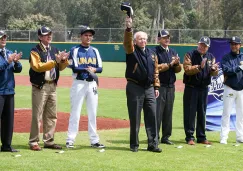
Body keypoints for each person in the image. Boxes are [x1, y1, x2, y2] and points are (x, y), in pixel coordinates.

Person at [123, 16, 161, 153]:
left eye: (145, 38)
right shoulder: (131, 51)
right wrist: (128, 28)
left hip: (149, 88)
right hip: (135, 87)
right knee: (135, 117)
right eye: (140, 39)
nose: (143, 41)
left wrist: (156, 86)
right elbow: (127, 41)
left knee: (152, 116)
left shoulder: (152, 54)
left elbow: (156, 71)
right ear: (135, 40)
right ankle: (134, 145)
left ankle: (153, 144)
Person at [29, 26, 69, 151]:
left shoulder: (54, 49)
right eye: (46, 34)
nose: (49, 36)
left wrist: (63, 60)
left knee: (52, 115)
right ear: (40, 37)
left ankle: (49, 140)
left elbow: (60, 68)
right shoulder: (35, 50)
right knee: (37, 115)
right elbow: (37, 66)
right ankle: (34, 141)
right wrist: (54, 61)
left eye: (50, 34)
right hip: (40, 86)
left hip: (53, 85)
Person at [66, 26, 105, 149]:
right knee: (75, 112)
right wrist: (88, 68)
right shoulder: (75, 50)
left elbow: (100, 68)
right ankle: (70, 139)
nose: (88, 37)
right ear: (81, 36)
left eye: (90, 35)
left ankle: (94, 140)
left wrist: (94, 69)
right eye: (86, 35)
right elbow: (74, 67)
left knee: (92, 112)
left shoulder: (95, 50)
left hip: (92, 83)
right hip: (79, 83)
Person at [183, 36, 219, 145]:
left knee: (202, 113)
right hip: (191, 88)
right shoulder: (190, 54)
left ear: (208, 47)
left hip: (203, 89)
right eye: (201, 44)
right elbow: (187, 70)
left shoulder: (211, 56)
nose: (203, 47)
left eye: (205, 46)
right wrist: (199, 67)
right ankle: (190, 137)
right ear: (198, 44)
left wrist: (214, 70)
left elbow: (213, 74)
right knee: (190, 113)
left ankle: (202, 137)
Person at [153, 30, 181, 145]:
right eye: (164, 37)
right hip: (160, 85)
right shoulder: (154, 51)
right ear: (159, 39)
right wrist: (169, 64)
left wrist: (177, 64)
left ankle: (166, 136)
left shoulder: (173, 51)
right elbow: (156, 68)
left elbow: (178, 70)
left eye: (168, 37)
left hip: (170, 86)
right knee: (158, 112)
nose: (167, 39)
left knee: (168, 112)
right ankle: (155, 137)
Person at [0, 31, 22, 152]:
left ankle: (6, 145)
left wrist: (16, 62)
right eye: (1, 38)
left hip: (9, 91)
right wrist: (8, 61)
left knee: (8, 120)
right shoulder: (7, 56)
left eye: (4, 37)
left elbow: (17, 70)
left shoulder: (8, 52)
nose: (3, 39)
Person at [220, 36, 243, 144]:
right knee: (226, 113)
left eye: (235, 44)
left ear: (240, 45)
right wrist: (239, 67)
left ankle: (240, 136)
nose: (233, 46)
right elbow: (227, 70)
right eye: (232, 44)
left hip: (241, 89)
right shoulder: (226, 57)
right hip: (229, 88)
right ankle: (224, 137)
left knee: (241, 114)